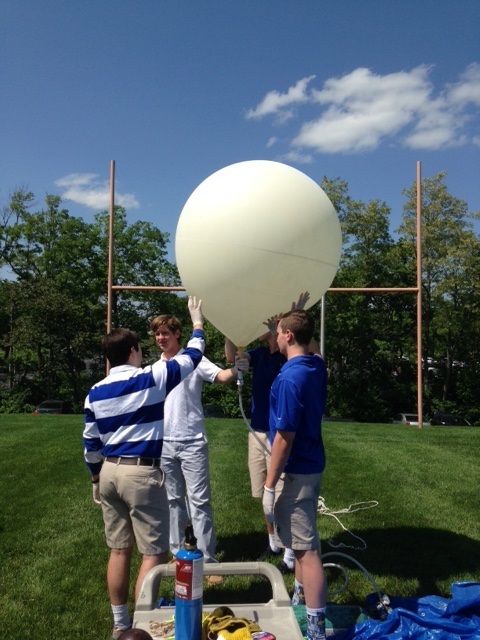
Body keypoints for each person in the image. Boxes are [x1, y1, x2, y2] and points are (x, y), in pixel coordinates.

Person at [83, 297, 204, 640]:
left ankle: (120, 622)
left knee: (119, 549)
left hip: (108, 472)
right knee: (154, 553)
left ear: (108, 357)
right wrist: (196, 323)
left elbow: (90, 443)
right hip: (141, 471)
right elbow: (192, 356)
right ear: (135, 350)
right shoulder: (151, 378)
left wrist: (95, 478)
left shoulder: (94, 392)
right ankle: (140, 626)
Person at [225, 292, 316, 573]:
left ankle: (291, 549)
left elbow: (313, 350)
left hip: (279, 433)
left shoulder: (290, 360)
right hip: (258, 430)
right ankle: (273, 541)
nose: (268, 332)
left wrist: (298, 318)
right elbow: (232, 355)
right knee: (263, 491)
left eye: (274, 329)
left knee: (280, 491)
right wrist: (230, 328)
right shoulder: (259, 355)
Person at [150, 312, 247, 573]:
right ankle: (177, 553)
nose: (160, 338)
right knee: (172, 501)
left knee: (199, 502)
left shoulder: (193, 359)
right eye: (157, 334)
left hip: (192, 441)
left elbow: (222, 377)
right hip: (164, 443)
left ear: (177, 334)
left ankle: (207, 561)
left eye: (165, 333)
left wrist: (238, 368)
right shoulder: (155, 368)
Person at [262, 309, 328, 640]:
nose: (274, 337)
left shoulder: (290, 378)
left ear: (288, 336)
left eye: (277, 332)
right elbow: (311, 345)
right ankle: (301, 603)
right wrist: (299, 318)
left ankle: (315, 628)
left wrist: (269, 486)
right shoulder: (315, 365)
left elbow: (283, 440)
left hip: (297, 468)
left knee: (307, 550)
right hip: (311, 463)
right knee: (301, 544)